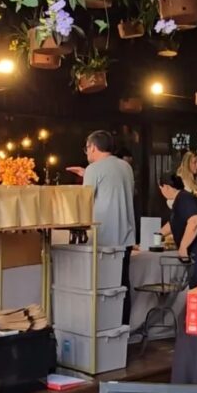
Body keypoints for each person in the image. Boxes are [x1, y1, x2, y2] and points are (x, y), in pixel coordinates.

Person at [71, 131, 135, 321]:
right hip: (126, 237)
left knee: (102, 287)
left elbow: (86, 201)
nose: (87, 153)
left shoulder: (94, 169)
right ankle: (123, 327)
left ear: (92, 147)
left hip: (104, 237)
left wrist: (87, 175)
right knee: (122, 286)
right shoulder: (125, 166)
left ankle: (103, 326)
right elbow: (112, 186)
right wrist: (88, 174)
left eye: (86, 148)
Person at [158, 174, 197, 289]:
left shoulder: (184, 198)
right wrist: (157, 235)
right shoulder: (179, 200)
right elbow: (174, 223)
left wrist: (183, 247)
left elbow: (195, 220)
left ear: (166, 187)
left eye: (160, 189)